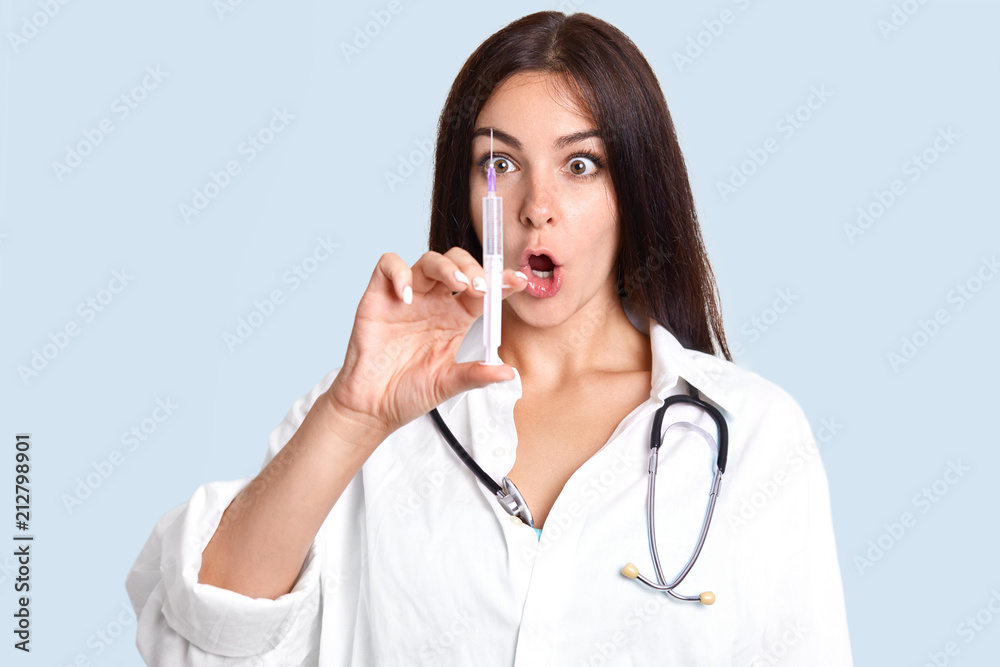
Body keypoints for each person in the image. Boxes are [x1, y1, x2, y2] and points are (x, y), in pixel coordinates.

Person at [126, 11, 853, 666]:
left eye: (580, 165)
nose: (538, 207)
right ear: (468, 194)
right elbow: (201, 635)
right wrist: (353, 417)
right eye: (500, 164)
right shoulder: (372, 413)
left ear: (635, 188)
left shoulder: (751, 433)